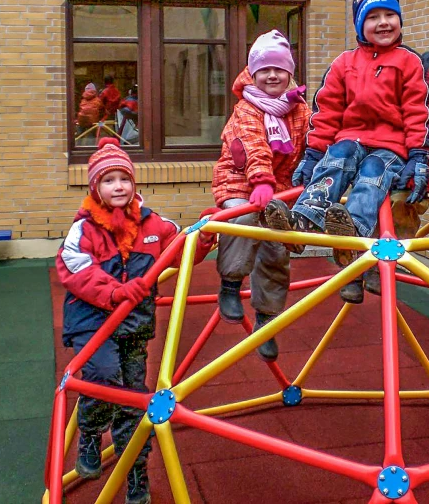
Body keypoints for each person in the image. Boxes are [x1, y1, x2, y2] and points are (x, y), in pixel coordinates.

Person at [56, 138, 214, 504]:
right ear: (95, 187)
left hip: (133, 325)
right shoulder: (84, 230)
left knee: (133, 401)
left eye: (124, 179)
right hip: (92, 321)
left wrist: (203, 238)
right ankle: (92, 435)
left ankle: (136, 475)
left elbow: (180, 249)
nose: (118, 187)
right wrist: (114, 292)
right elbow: (74, 270)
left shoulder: (153, 223)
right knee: (103, 376)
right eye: (109, 181)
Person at [263, 0, 429, 305]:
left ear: (399, 20)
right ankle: (304, 219)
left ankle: (352, 234)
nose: (383, 22)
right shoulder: (344, 63)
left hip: (389, 146)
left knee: (372, 176)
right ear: (359, 25)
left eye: (390, 15)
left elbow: (417, 111)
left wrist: (418, 156)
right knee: (337, 158)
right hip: (350, 138)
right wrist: (313, 154)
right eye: (373, 17)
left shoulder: (408, 62)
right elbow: (327, 111)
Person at [211, 30, 311, 361]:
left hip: (278, 186)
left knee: (275, 249)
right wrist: (261, 181)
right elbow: (254, 144)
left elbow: (315, 139)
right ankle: (230, 283)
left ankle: (266, 321)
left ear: (289, 72)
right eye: (264, 69)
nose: (271, 75)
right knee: (242, 217)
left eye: (279, 69)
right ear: (253, 74)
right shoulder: (247, 107)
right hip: (240, 179)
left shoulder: (298, 108)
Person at [365, 44, 429, 296]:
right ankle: (369, 266)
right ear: (428, 78)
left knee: (407, 215)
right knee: (390, 209)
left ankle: (385, 264)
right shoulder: (418, 105)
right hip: (400, 170)